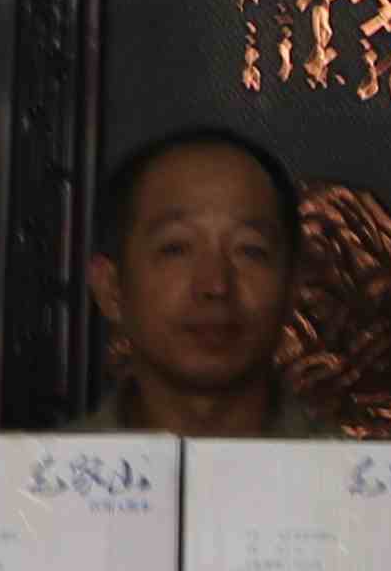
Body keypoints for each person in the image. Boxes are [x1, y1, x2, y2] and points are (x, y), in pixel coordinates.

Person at [80, 120, 321, 436]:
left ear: (292, 286)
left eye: (249, 250)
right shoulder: (35, 467)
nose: (216, 286)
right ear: (110, 288)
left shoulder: (344, 468)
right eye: (176, 248)